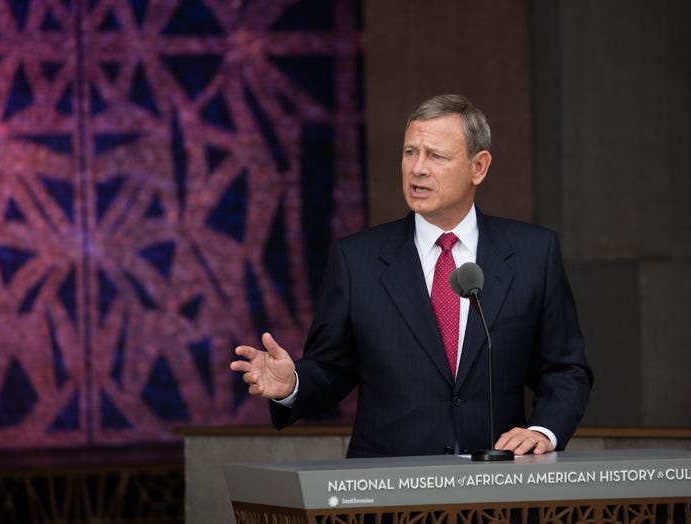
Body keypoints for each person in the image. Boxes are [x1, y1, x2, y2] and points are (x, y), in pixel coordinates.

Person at [230, 94, 592, 458]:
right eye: (409, 153)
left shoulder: (533, 253)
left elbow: (564, 368)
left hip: (496, 485)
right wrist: (291, 384)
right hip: (390, 490)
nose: (417, 169)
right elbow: (331, 369)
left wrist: (544, 431)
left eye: (435, 156)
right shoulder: (357, 260)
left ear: (478, 167)